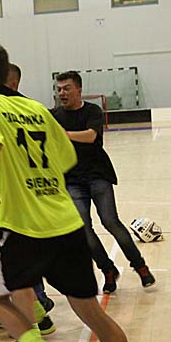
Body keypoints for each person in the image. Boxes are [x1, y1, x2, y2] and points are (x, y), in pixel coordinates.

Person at [0, 42, 149, 342]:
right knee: (92, 313)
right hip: (65, 221)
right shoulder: (37, 108)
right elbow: (65, 158)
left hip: (22, 225)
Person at [51, 71, 155, 294]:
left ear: (79, 90)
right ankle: (107, 270)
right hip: (72, 180)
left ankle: (140, 266)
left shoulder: (92, 111)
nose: (62, 93)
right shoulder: (54, 115)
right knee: (83, 229)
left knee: (110, 221)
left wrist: (64, 134)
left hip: (97, 175)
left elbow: (90, 136)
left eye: (66, 88)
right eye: (59, 89)